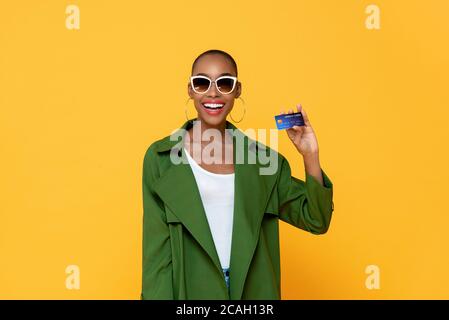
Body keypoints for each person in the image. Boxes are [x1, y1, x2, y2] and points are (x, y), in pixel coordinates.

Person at [141, 49, 334, 300]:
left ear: (237, 90)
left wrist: (310, 155)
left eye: (224, 83)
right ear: (190, 90)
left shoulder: (264, 161)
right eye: (201, 82)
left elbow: (316, 219)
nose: (213, 92)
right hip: (190, 295)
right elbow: (156, 256)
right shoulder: (161, 159)